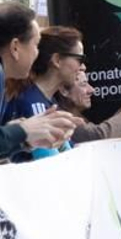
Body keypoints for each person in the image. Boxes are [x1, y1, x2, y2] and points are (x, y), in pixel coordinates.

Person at [3, 26, 88, 161]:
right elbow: (51, 163)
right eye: (80, 59)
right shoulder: (33, 103)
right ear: (57, 60)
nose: (83, 67)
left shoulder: (46, 100)